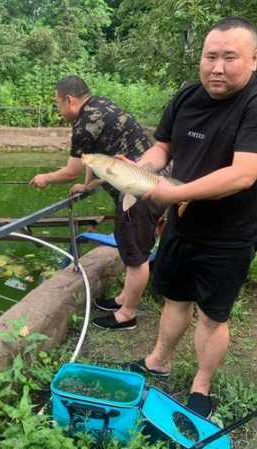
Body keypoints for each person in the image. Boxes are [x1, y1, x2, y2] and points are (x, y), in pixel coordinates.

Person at [123, 17, 257, 418]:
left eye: (229, 57)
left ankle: (201, 384)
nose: (217, 67)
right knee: (175, 298)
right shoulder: (187, 97)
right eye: (210, 56)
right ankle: (157, 361)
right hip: (182, 227)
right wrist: (138, 169)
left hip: (229, 235)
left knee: (213, 316)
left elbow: (243, 174)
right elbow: (162, 148)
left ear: (254, 59)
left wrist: (173, 193)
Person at [29, 75, 166, 330]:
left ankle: (127, 315)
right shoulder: (101, 106)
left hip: (138, 193)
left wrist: (44, 178)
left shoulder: (83, 124)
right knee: (130, 246)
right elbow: (95, 155)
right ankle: (124, 298)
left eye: (58, 104)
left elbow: (70, 171)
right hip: (150, 185)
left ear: (69, 100)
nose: (58, 111)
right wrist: (88, 184)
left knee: (136, 256)